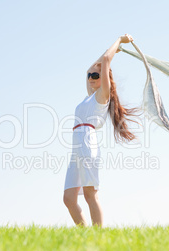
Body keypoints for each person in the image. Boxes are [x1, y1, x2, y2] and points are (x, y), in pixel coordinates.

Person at [63, 34, 143, 228]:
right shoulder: (89, 96)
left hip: (87, 142)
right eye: (90, 75)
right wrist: (106, 56)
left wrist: (119, 41)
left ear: (104, 79)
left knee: (91, 194)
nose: (91, 77)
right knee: (69, 198)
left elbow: (106, 60)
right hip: (77, 144)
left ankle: (99, 235)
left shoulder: (102, 95)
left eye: (96, 76)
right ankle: (84, 234)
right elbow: (94, 65)